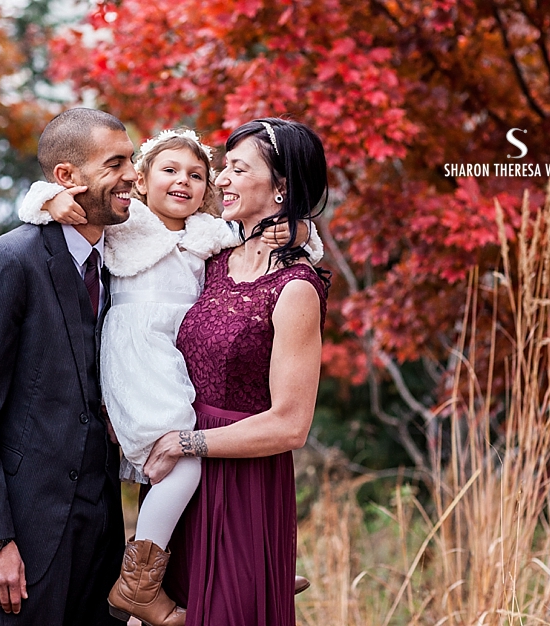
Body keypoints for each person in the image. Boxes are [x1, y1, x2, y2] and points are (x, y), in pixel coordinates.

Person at [18, 128, 322, 626]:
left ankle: (250, 569)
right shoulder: (143, 227)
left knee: (220, 573)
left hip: (203, 423)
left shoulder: (220, 243)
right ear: (141, 179)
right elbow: (61, 195)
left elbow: (292, 243)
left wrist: (304, 230)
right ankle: (143, 583)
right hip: (153, 383)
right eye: (173, 171)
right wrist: (52, 201)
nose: (210, 180)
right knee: (180, 479)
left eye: (224, 171)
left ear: (280, 185)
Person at [0, 107, 135, 625]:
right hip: (24, 536)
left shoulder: (123, 261)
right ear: (66, 178)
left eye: (133, 160)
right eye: (115, 163)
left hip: (102, 530)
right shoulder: (10, 261)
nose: (133, 175)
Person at [144, 118, 330, 626]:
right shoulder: (214, 257)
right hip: (179, 487)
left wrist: (188, 443)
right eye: (223, 168)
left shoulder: (296, 289)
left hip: (241, 486)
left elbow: (291, 424)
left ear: (282, 186)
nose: (221, 179)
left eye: (237, 169)